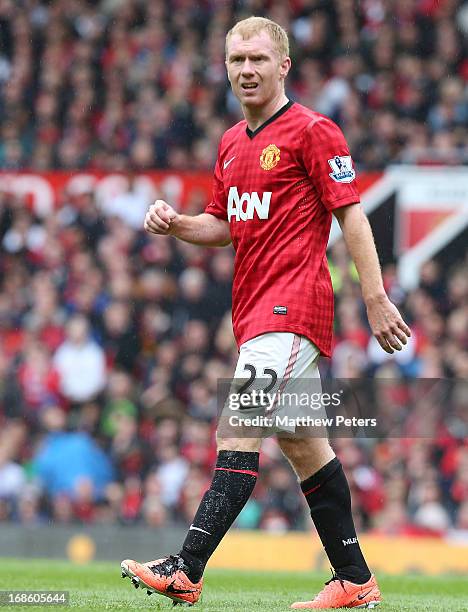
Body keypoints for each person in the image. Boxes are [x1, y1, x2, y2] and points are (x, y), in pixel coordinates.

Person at [121, 16, 411, 609]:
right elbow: (223, 224)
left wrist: (375, 296)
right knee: (306, 446)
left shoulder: (314, 131)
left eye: (257, 59)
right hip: (254, 312)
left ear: (284, 66)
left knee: (238, 425)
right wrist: (176, 223)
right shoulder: (231, 143)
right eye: (236, 60)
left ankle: (186, 567)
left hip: (292, 307)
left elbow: (352, 215)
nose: (246, 70)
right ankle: (354, 581)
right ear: (226, 67)